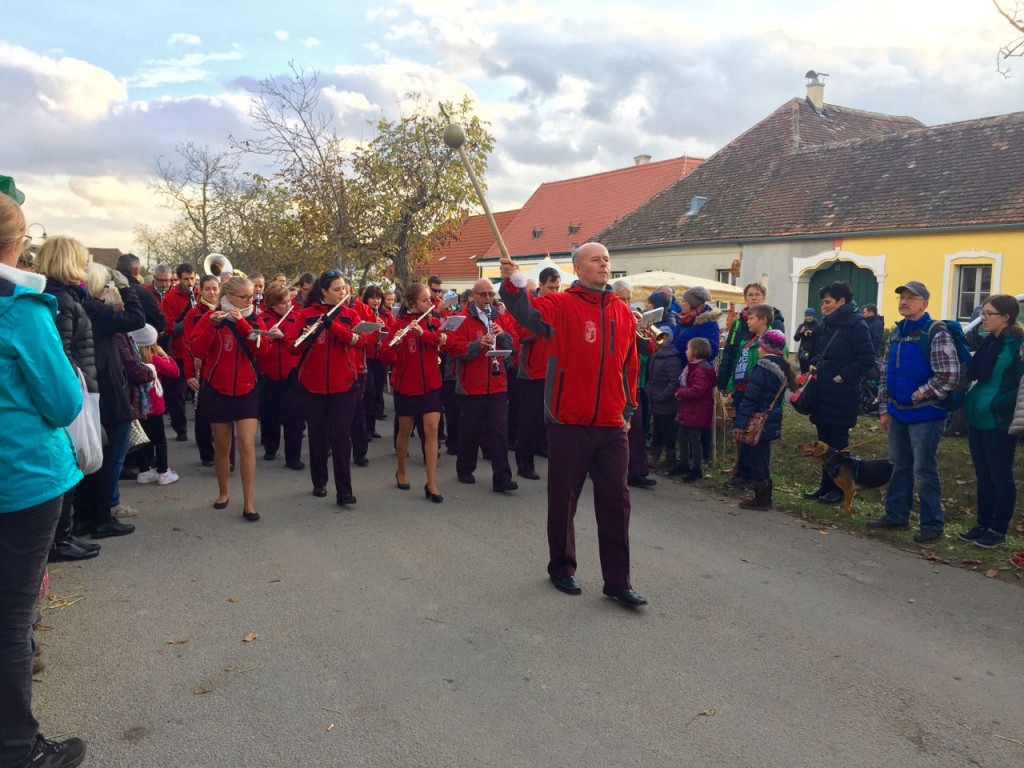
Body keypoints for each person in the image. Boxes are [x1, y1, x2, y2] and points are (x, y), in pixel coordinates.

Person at [499, 242, 647, 607]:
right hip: (568, 421)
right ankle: (562, 569)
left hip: (612, 425)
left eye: (607, 259)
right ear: (578, 269)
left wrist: (628, 411)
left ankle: (617, 581)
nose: (604, 264)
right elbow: (527, 314)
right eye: (596, 259)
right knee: (563, 500)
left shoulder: (623, 313)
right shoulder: (560, 305)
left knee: (617, 502)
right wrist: (513, 285)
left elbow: (629, 367)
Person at [0, 195, 88, 768]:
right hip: (20, 476)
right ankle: (16, 747)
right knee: (10, 615)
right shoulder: (22, 306)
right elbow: (62, 401)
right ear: (19, 240)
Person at [868, 282, 960, 544]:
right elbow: (885, 374)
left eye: (911, 298)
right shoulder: (897, 333)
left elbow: (949, 374)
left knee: (924, 470)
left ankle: (932, 524)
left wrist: (922, 392)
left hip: (926, 414)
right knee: (899, 465)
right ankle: (896, 514)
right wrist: (884, 409)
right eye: (902, 297)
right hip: (897, 413)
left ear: (925, 304)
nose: (904, 301)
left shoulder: (936, 332)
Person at [36, 236, 102, 562]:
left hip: (78, 386)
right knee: (69, 465)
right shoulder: (61, 299)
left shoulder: (63, 296)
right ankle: (60, 540)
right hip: (72, 392)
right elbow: (61, 353)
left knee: (70, 466)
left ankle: (65, 534)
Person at [189, 276, 271, 521]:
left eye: (252, 296)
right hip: (217, 389)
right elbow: (197, 351)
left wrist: (244, 324)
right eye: (244, 297)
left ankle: (249, 503)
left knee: (246, 444)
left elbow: (263, 349)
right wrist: (212, 326)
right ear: (229, 297)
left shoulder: (255, 318)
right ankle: (223, 492)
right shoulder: (210, 317)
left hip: (247, 390)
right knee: (223, 447)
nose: (250, 300)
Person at [286, 270, 370, 506]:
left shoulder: (350, 315)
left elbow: (361, 341)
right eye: (336, 289)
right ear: (323, 291)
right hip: (312, 387)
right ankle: (319, 481)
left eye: (343, 288)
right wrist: (305, 337)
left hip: (344, 386)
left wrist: (334, 327)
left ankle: (344, 490)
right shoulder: (307, 315)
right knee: (317, 435)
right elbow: (292, 348)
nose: (342, 292)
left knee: (341, 437)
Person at [78, 262, 144, 537]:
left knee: (93, 458)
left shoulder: (81, 307)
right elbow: (137, 319)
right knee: (109, 457)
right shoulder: (96, 309)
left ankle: (86, 516)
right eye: (106, 286)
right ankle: (103, 517)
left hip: (93, 385)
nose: (109, 290)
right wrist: (128, 289)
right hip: (107, 387)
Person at [959, 294, 1024, 549]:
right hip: (977, 415)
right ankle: (982, 523)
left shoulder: (1018, 346)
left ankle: (998, 529)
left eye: (988, 314)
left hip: (999, 420)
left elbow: (1017, 384)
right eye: (982, 313)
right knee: (983, 474)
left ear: (1006, 317)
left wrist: (997, 405)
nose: (982, 319)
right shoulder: (989, 342)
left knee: (1000, 475)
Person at [803, 282, 876, 505]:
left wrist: (843, 375)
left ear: (841, 301)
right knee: (823, 443)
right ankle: (825, 486)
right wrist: (815, 363)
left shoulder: (856, 324)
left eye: (827, 302)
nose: (823, 307)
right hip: (824, 391)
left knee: (838, 443)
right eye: (823, 302)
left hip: (842, 393)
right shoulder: (828, 323)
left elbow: (866, 359)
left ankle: (840, 489)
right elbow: (821, 351)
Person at [444, 279, 518, 493]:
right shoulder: (461, 318)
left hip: (497, 383)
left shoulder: (499, 316)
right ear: (473, 296)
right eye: (483, 294)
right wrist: (477, 345)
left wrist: (502, 336)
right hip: (471, 385)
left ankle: (502, 477)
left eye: (490, 294)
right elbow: (454, 348)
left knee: (499, 431)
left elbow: (513, 344)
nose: (488, 299)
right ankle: (465, 468)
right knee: (470, 429)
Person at [379, 284, 448, 502]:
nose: (431, 303)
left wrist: (424, 333)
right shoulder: (399, 324)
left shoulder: (434, 323)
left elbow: (445, 342)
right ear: (412, 304)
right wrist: (395, 345)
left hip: (431, 387)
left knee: (432, 431)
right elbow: (384, 356)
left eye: (431, 299)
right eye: (425, 300)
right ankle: (401, 471)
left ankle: (432, 483)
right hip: (406, 387)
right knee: (405, 430)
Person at [732, 329, 797, 509]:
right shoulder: (782, 368)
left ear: (764, 347)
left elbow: (751, 397)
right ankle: (766, 496)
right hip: (771, 419)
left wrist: (740, 423)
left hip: (758, 419)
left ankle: (761, 499)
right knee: (764, 457)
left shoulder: (763, 367)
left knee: (757, 458)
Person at [510, 267, 560, 479]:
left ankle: (543, 447)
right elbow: (520, 333)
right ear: (541, 285)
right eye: (551, 287)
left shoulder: (560, 305)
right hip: (532, 372)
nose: (555, 292)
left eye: (558, 287)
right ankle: (524, 464)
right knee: (529, 420)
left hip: (554, 371)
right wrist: (542, 327)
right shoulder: (530, 305)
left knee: (550, 419)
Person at [723, 303, 775, 487]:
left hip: (759, 397)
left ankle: (757, 478)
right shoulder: (748, 341)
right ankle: (742, 472)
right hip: (742, 394)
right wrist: (731, 386)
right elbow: (739, 364)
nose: (748, 321)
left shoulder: (772, 341)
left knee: (757, 438)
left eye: (752, 318)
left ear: (763, 320)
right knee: (743, 435)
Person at [255, 282, 305, 470]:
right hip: (268, 373)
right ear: (273, 304)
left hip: (291, 372)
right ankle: (270, 447)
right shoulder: (262, 318)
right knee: (269, 413)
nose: (289, 304)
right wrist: (267, 336)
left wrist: (282, 336)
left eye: (289, 300)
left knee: (294, 415)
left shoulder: (297, 317)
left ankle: (293, 457)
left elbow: (299, 342)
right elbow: (257, 345)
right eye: (284, 302)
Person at [131, 324, 180, 487]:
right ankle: (163, 471)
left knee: (145, 440)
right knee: (160, 439)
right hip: (155, 406)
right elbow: (174, 371)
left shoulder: (132, 360)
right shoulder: (154, 358)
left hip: (138, 406)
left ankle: (144, 471)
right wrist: (163, 354)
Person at [182, 275, 223, 466]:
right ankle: (206, 453)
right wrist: (189, 373)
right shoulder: (194, 314)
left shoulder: (225, 310)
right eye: (208, 289)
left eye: (215, 288)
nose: (212, 292)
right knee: (202, 412)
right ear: (201, 290)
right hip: (201, 367)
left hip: (218, 367)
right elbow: (187, 344)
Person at [719, 282, 785, 395]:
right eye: (750, 295)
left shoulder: (775, 322)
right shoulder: (737, 324)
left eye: (757, 294)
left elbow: (778, 355)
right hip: (737, 380)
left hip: (762, 380)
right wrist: (722, 382)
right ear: (745, 298)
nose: (754, 297)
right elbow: (728, 353)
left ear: (763, 298)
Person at [668, 337, 718, 481]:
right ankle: (684, 463)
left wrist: (680, 392)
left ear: (695, 351)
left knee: (694, 438)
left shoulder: (701, 370)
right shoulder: (693, 367)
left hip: (698, 410)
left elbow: (697, 390)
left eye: (688, 348)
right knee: (682, 435)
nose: (686, 351)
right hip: (690, 409)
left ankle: (696, 468)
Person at [161, 262, 198, 441]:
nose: (190, 283)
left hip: (199, 350)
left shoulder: (201, 294)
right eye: (186, 279)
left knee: (201, 391)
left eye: (192, 278)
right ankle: (180, 427)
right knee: (177, 393)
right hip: (179, 350)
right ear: (179, 279)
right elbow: (169, 327)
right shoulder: (170, 298)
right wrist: (192, 319)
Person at [645, 326, 682, 470]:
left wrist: (663, 396)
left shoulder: (671, 358)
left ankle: (670, 458)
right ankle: (655, 456)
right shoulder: (656, 355)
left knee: (668, 431)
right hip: (656, 399)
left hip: (666, 402)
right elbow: (651, 378)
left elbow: (674, 381)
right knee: (657, 430)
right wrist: (649, 391)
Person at [116, 252, 165, 336]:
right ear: (136, 270)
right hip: (140, 338)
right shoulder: (143, 293)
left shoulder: (105, 289)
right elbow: (159, 322)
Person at [794, 308, 820, 375]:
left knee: (812, 374)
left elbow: (820, 338)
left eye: (810, 316)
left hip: (813, 353)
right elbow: (796, 338)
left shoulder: (818, 326)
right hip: (803, 353)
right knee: (803, 373)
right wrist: (801, 332)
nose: (808, 318)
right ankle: (803, 385)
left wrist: (812, 333)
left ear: (813, 316)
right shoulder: (802, 326)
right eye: (807, 316)